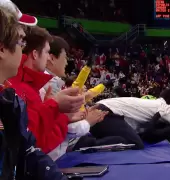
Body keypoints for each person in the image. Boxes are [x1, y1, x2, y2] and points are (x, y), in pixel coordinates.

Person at [0, 5, 67, 180]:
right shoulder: (15, 94)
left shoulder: (9, 98)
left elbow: (29, 149)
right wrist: (56, 108)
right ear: (2, 49)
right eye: (20, 41)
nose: (23, 51)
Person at [37, 36, 107, 161]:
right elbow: (56, 130)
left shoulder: (52, 84)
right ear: (51, 58)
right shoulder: (48, 86)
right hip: (54, 156)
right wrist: (88, 121)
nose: (67, 62)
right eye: (65, 58)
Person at [90, 89, 170, 149]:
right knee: (136, 143)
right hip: (104, 115)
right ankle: (89, 145)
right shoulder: (164, 108)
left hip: (99, 112)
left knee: (129, 137)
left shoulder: (150, 104)